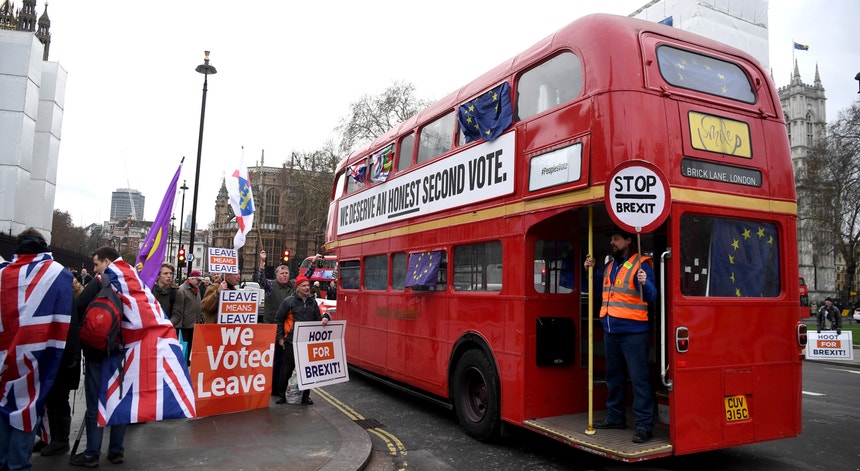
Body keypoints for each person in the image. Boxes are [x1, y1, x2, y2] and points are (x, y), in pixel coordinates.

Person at [0, 228, 73, 471]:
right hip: (37, 358)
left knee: (2, 406)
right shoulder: (58, 275)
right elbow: (66, 322)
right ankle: (18, 465)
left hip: (4, 358)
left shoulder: (2, 274)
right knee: (26, 409)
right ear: (43, 245)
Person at [584, 228, 657, 444]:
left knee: (639, 380)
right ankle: (615, 417)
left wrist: (646, 282)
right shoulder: (609, 265)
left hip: (634, 333)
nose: (612, 243)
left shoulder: (642, 264)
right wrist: (592, 270)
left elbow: (653, 296)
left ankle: (645, 426)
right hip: (611, 331)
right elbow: (599, 291)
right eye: (611, 239)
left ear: (628, 240)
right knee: (613, 378)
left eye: (616, 239)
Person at [70, 246, 127, 467]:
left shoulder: (100, 281)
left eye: (96, 264)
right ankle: (116, 450)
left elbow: (78, 305)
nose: (94, 269)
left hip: (98, 350)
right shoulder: (131, 281)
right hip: (123, 352)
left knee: (95, 402)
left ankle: (92, 452)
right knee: (119, 400)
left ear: (106, 261)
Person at [33, 277, 83, 457]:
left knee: (58, 400)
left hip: (64, 358)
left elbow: (73, 332)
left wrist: (73, 357)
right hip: (57, 356)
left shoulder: (70, 303)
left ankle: (60, 440)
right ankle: (50, 436)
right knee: (50, 399)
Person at [257, 251, 319, 396]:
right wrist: (262, 262)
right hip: (272, 328)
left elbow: (306, 277)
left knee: (286, 361)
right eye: (282, 273)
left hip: (289, 330)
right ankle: (274, 387)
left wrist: (314, 263)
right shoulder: (270, 286)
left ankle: (282, 387)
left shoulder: (293, 285)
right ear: (277, 275)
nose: (285, 275)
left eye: (286, 273)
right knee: (276, 360)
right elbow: (261, 279)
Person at [274, 274, 330, 405]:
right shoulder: (289, 301)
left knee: (307, 371)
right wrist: (280, 337)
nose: (307, 288)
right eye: (304, 286)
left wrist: (324, 318)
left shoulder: (312, 302)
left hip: (307, 342)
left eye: (308, 285)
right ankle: (281, 395)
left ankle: (305, 396)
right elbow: (279, 319)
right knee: (286, 369)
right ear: (297, 287)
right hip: (292, 341)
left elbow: (317, 317)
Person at [171, 270, 203, 364]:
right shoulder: (182, 290)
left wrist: (201, 318)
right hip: (185, 324)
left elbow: (198, 305)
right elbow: (179, 309)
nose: (199, 282)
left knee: (190, 344)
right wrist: (179, 326)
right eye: (198, 280)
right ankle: (182, 361)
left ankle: (186, 360)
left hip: (194, 323)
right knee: (184, 344)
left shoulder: (196, 290)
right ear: (191, 279)